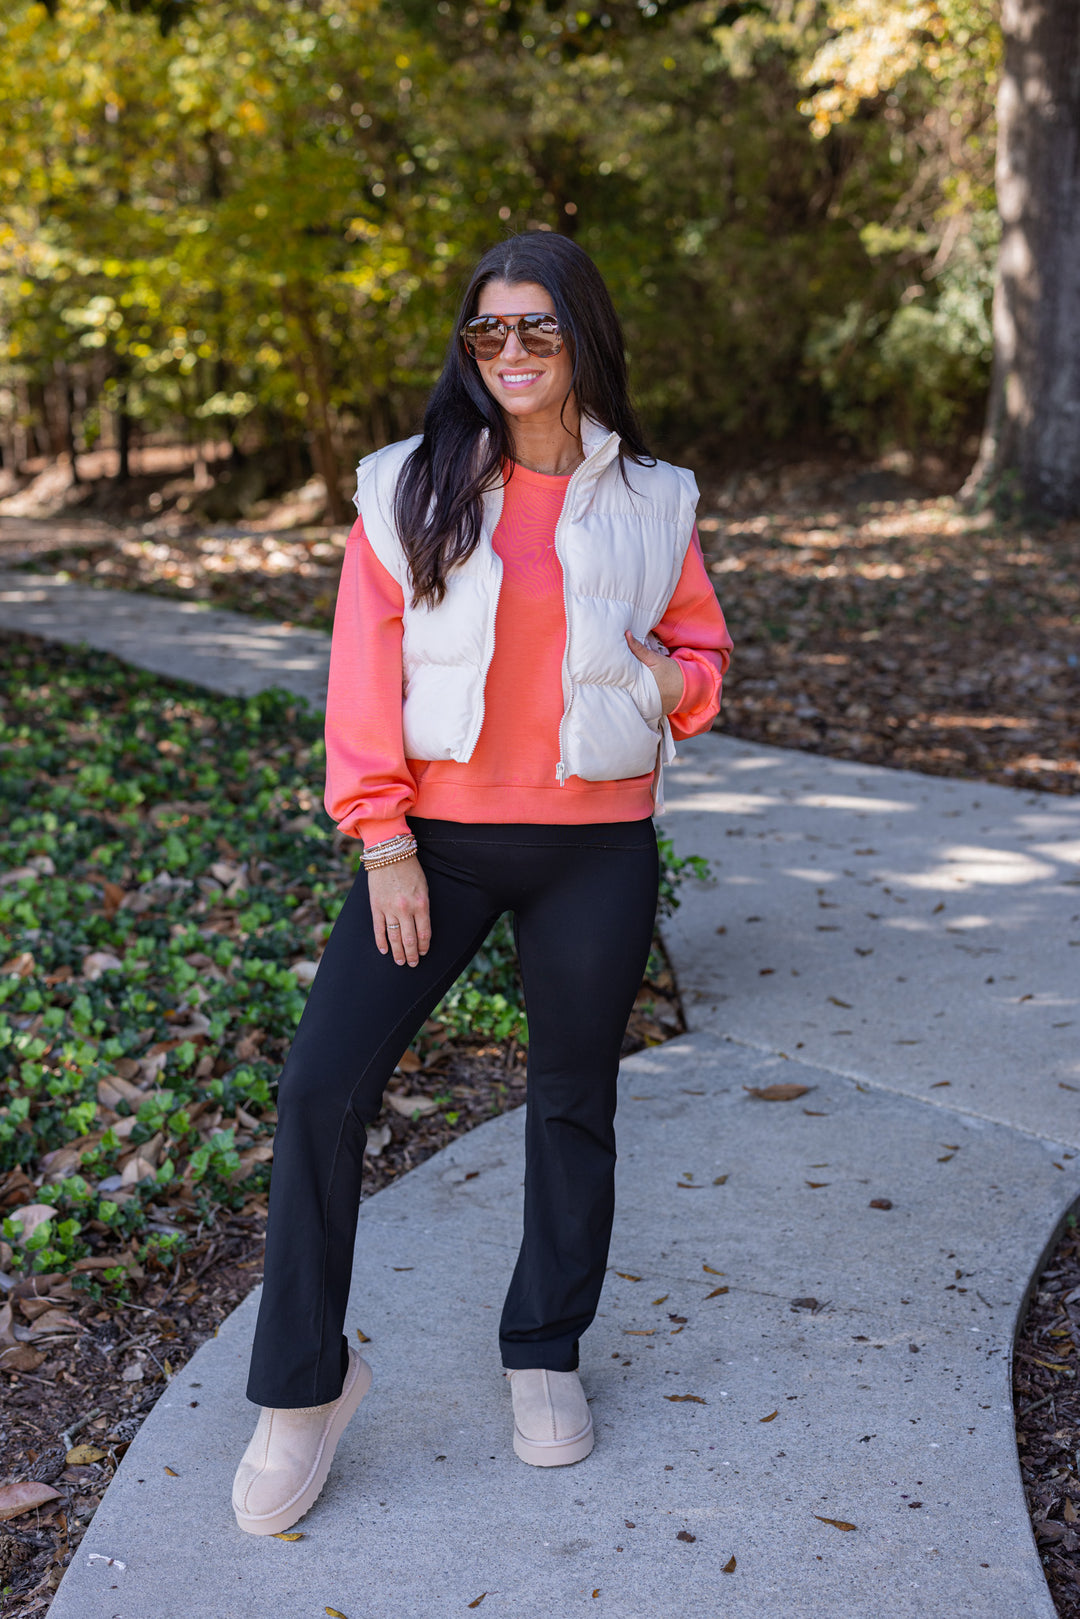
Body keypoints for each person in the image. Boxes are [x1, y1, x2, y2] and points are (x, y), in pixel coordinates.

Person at [232, 231, 733, 1535]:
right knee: (322, 1084)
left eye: (537, 331)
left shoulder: (655, 497)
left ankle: (545, 1354)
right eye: (487, 334)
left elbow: (702, 659)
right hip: (437, 848)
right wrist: (383, 840)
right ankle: (303, 1390)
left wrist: (658, 675)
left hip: (597, 846)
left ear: (584, 342)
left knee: (573, 1100)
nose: (509, 354)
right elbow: (361, 679)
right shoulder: (407, 490)